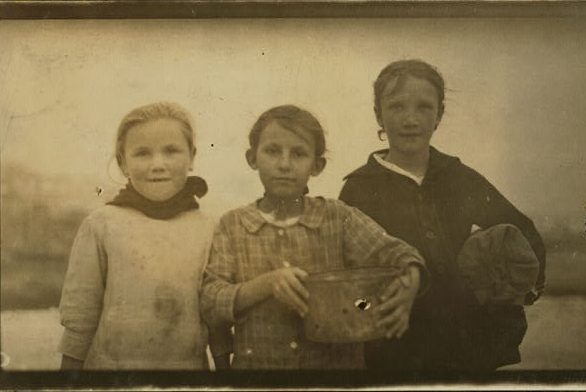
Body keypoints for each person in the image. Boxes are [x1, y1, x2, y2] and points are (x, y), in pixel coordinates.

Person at [339, 60, 547, 371]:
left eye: (424, 107)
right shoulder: (359, 189)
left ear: (439, 115)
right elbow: (346, 273)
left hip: (467, 343)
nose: (411, 119)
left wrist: (515, 294)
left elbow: (523, 231)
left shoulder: (459, 177)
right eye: (396, 106)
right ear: (378, 114)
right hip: (395, 349)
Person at [200, 105, 427, 369]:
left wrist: (411, 280)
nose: (284, 164)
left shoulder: (338, 218)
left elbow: (399, 254)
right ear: (253, 158)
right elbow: (210, 301)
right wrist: (265, 285)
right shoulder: (232, 225)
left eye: (298, 154)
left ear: (317, 165)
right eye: (273, 151)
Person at [58, 102, 228, 369]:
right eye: (142, 153)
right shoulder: (101, 225)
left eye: (171, 151)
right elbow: (80, 316)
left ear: (192, 156)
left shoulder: (210, 228)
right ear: (123, 162)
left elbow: (216, 317)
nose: (157, 164)